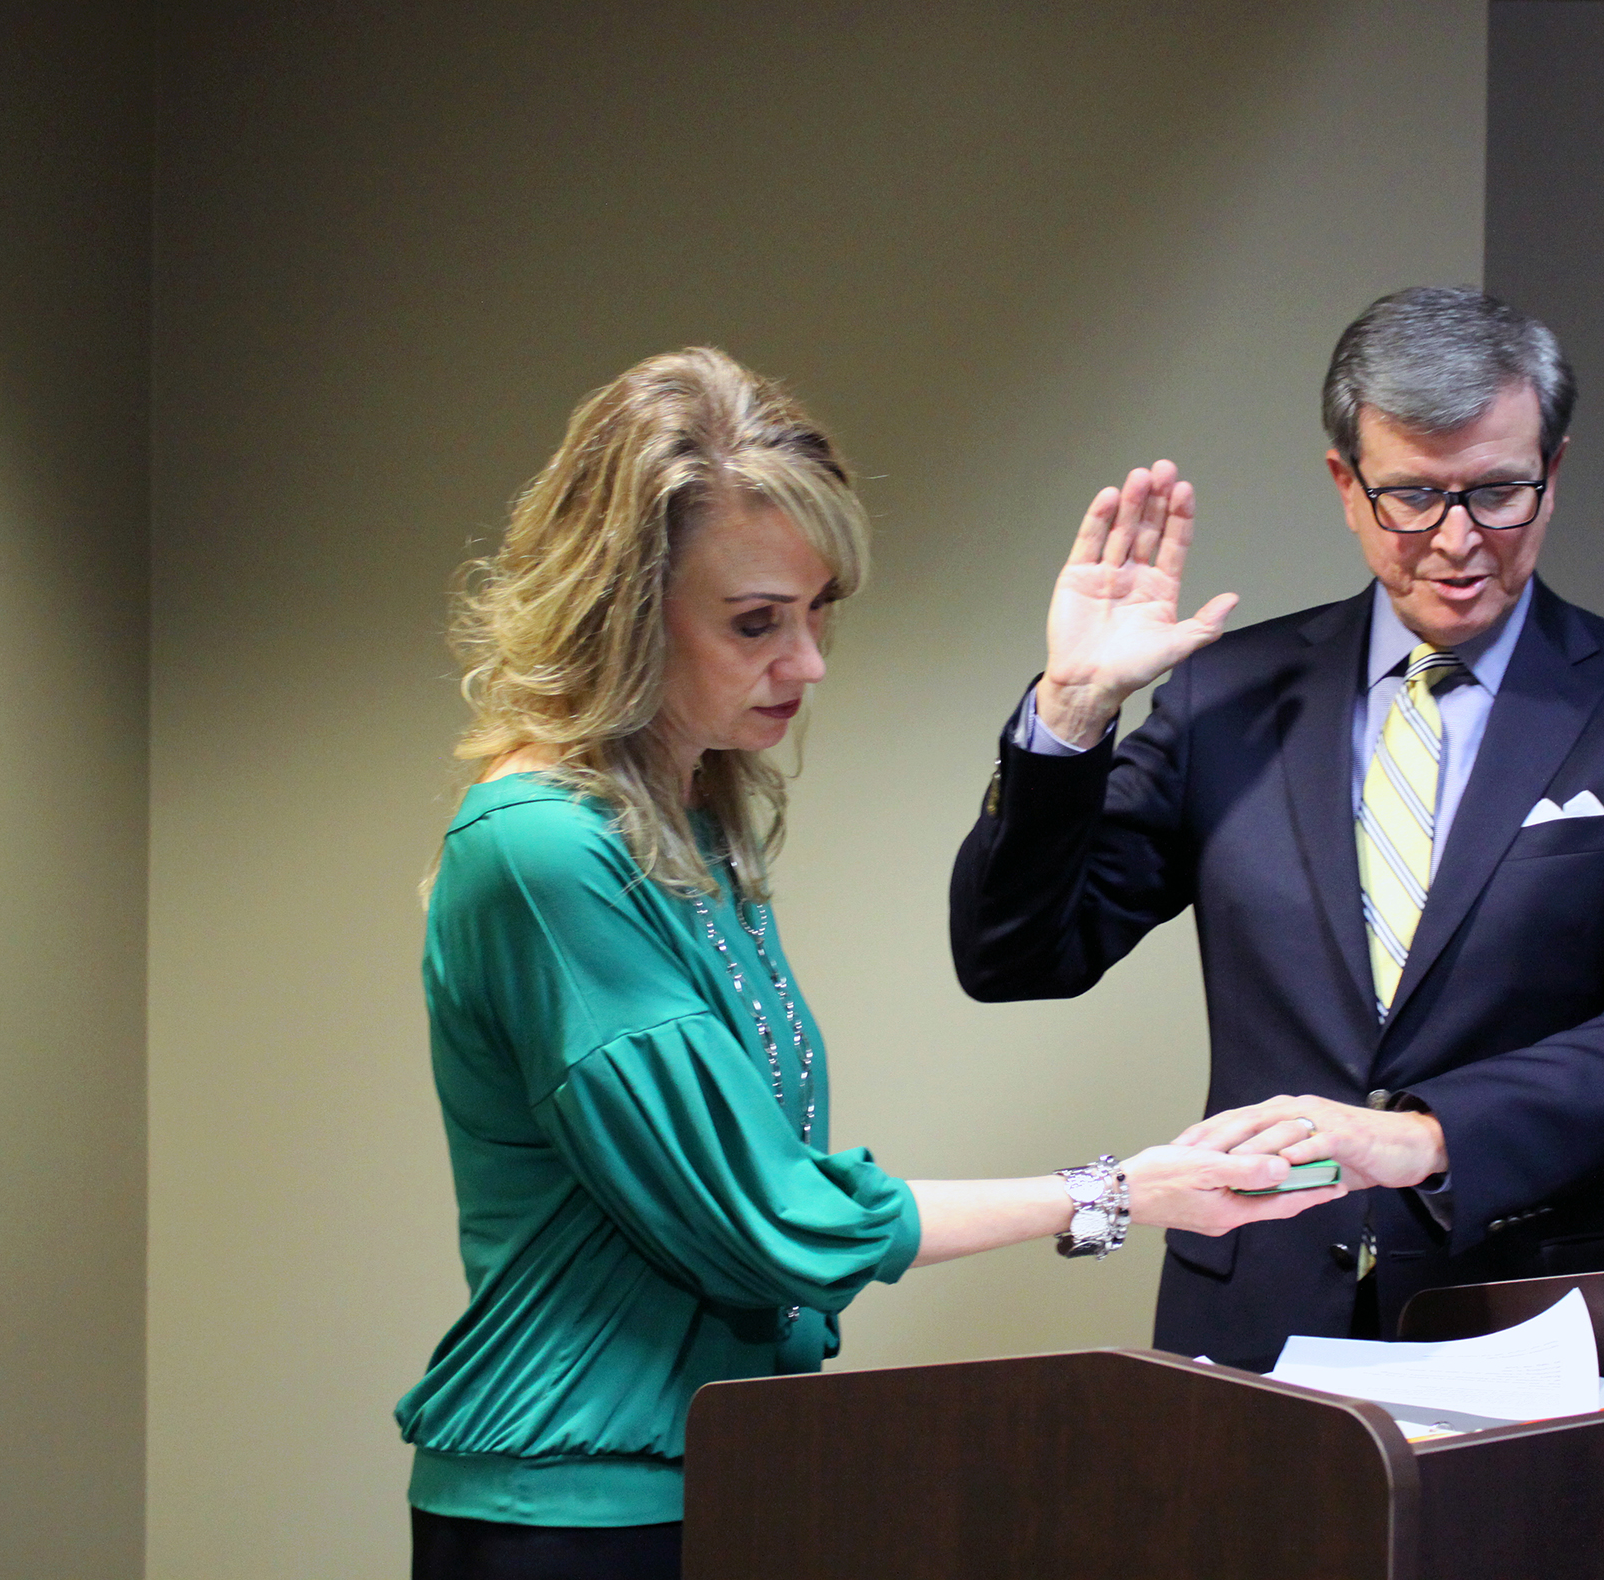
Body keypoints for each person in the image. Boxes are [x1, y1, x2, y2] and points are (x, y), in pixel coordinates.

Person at [394, 347, 1340, 1580]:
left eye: (818, 607)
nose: (809, 661)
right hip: (567, 1517)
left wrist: (1073, 699)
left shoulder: (694, 818)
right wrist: (1119, 1190)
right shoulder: (542, 847)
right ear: (621, 609)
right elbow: (771, 1220)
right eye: (755, 622)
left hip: (721, 1463)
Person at [951, 286, 1604, 1370]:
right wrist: (1073, 708)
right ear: (1346, 484)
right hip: (1253, 1305)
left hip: (1538, 1309)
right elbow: (1016, 957)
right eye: (1413, 498)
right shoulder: (1228, 696)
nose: (1458, 542)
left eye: (1498, 493)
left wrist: (1427, 1137)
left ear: (1553, 473)